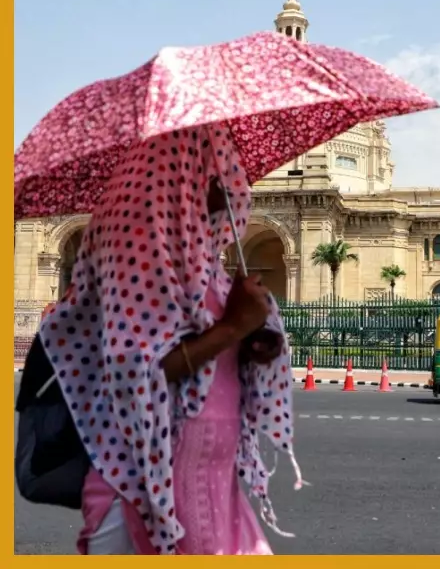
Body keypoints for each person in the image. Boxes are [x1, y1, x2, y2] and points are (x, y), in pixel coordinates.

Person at [43, 126, 305, 555]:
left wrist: (253, 341)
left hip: (214, 484)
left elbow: (215, 355)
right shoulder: (137, 256)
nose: (229, 181)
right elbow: (134, 372)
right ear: (176, 177)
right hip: (139, 489)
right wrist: (233, 328)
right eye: (211, 168)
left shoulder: (204, 265)